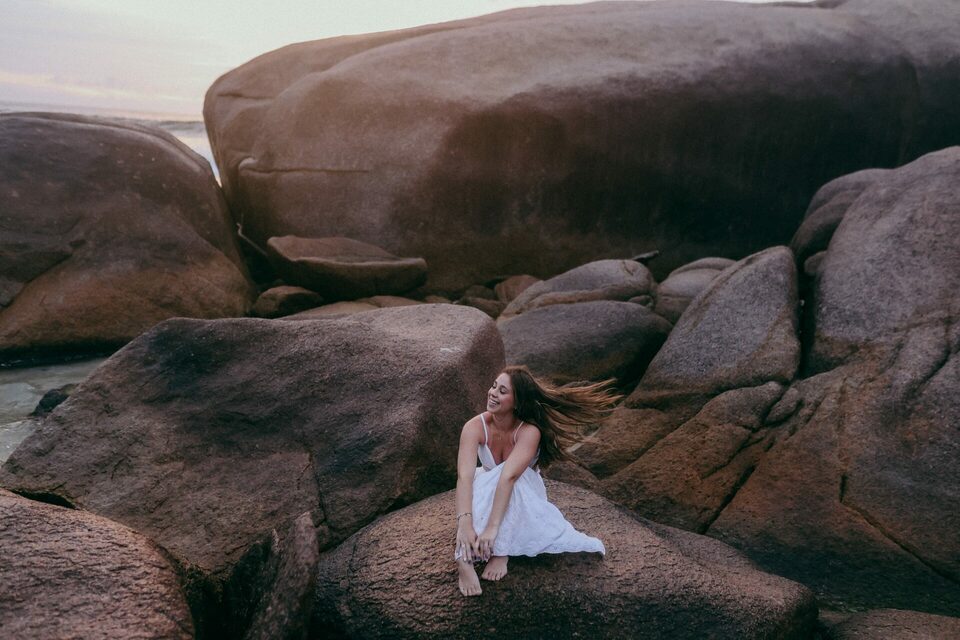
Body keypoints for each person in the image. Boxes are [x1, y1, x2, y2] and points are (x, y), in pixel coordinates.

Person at [454, 365, 619, 596]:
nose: (493, 393)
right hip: (488, 485)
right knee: (483, 487)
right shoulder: (474, 427)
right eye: (493, 386)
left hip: (522, 490)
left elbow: (509, 477)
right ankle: (464, 559)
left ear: (517, 401)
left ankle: (501, 550)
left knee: (513, 481)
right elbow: (464, 476)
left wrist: (492, 531)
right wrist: (464, 524)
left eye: (502, 391)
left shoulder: (529, 431)